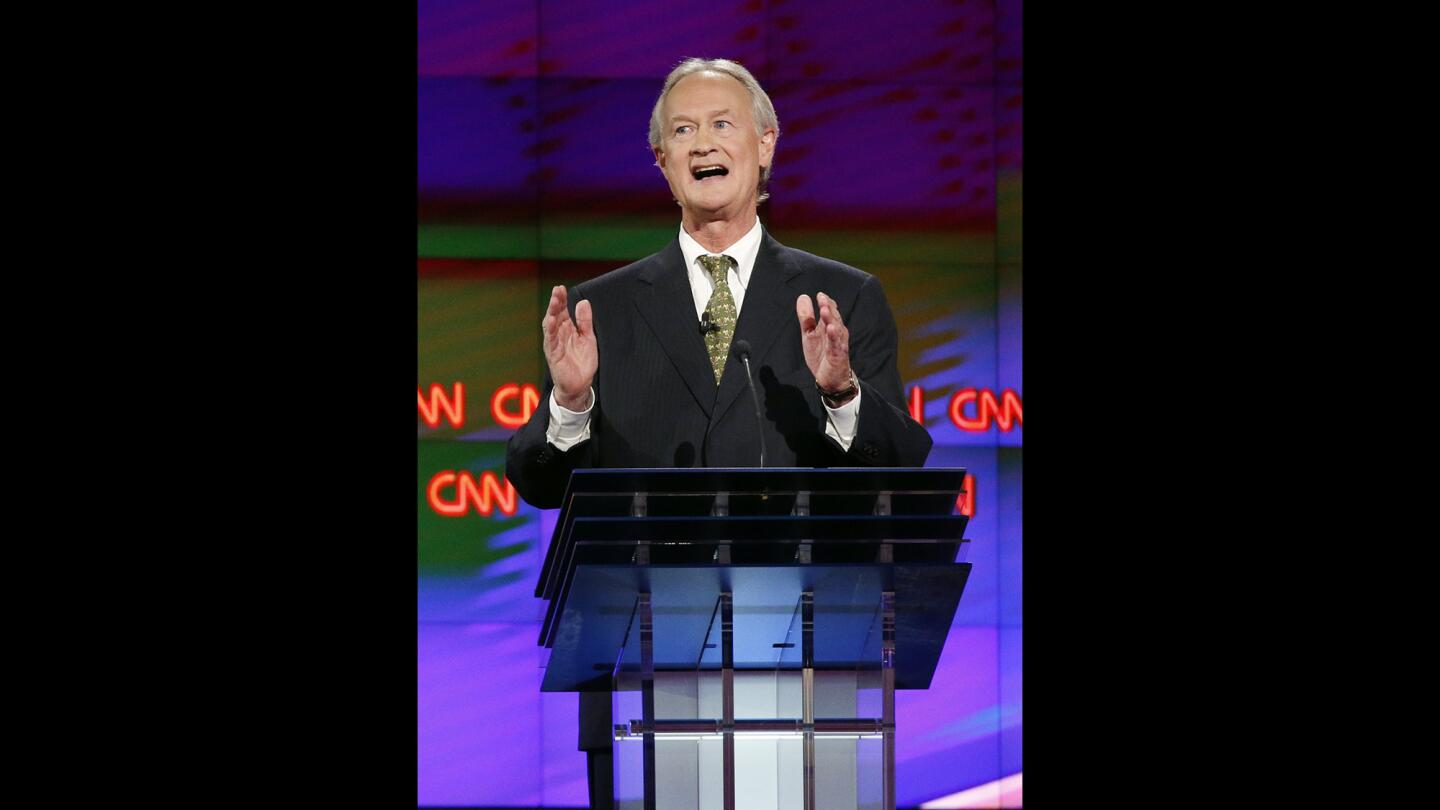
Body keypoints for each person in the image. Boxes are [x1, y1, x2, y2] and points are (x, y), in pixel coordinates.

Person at [504, 57, 933, 809]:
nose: (703, 141)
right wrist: (570, 403)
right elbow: (537, 481)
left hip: (809, 675)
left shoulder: (843, 300)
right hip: (641, 679)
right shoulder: (601, 311)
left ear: (765, 144)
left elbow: (899, 463)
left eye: (722, 123)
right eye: (683, 129)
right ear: (663, 164)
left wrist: (841, 391)